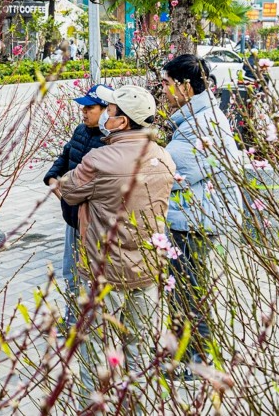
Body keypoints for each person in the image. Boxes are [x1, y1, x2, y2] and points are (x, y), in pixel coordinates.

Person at [59, 85, 176, 389]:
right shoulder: (164, 157)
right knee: (140, 351)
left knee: (95, 351)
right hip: (148, 268)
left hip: (105, 270)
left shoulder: (100, 160)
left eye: (110, 111)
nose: (105, 116)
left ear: (122, 122)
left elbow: (69, 191)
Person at [160, 54, 242, 376]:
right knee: (187, 289)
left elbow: (171, 168)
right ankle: (187, 355)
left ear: (184, 86)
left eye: (166, 84)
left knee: (189, 292)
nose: (163, 91)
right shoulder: (199, 116)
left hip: (195, 221)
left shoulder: (201, 123)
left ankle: (196, 361)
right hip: (194, 216)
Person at [44, 85, 109, 327]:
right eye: (83, 107)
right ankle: (72, 320)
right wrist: (52, 178)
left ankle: (90, 324)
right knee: (70, 273)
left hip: (92, 223)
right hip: (71, 217)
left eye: (90, 107)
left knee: (89, 277)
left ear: (106, 110)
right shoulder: (81, 130)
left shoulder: (110, 141)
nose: (84, 112)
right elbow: (65, 156)